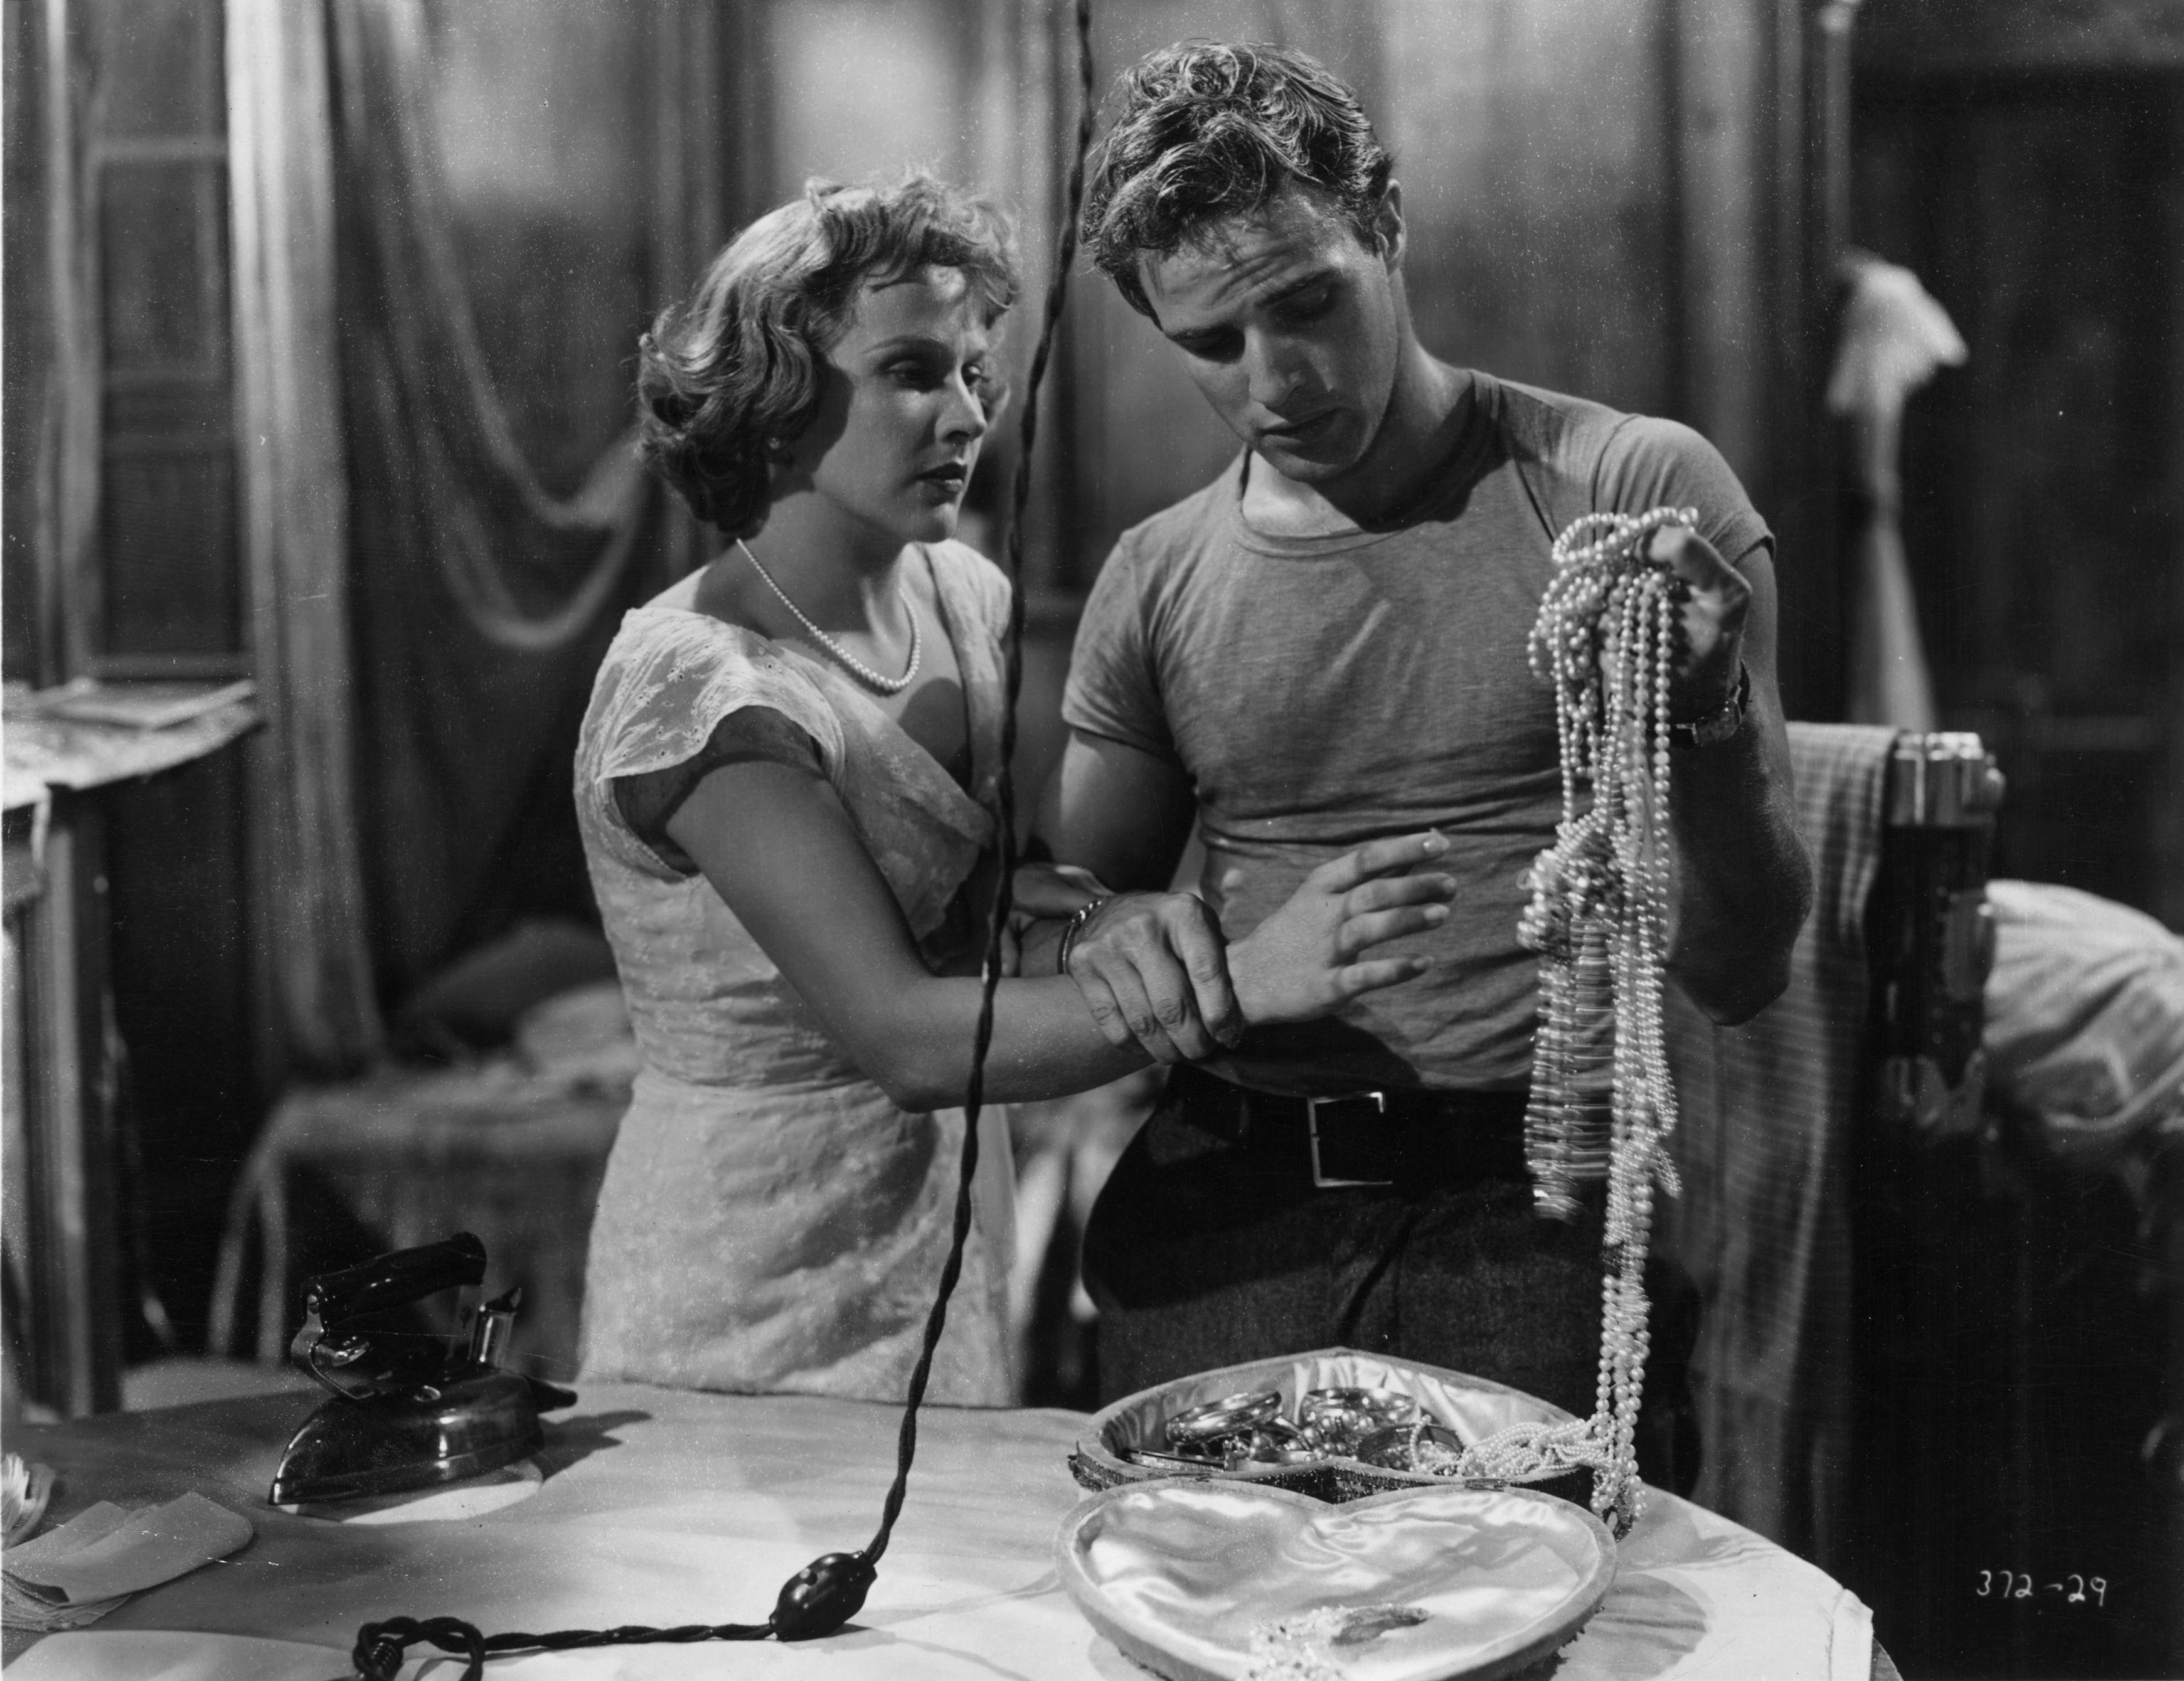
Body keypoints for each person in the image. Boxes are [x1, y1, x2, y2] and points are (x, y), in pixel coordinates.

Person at [1018, 44, 1816, 1467]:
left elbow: (1743, 963)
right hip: (1219, 1217)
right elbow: (1058, 925)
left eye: (1308, 302)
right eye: (1211, 342)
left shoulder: (1624, 496)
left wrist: (1698, 713)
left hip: (1529, 1219)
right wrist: (1112, 920)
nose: (1275, 382)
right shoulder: (1154, 579)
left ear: (1384, 225)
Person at [572, 172, 1456, 1406]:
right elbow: (904, 1033)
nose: (967, 415)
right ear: (775, 391)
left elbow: (979, 902)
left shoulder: (960, 595)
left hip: (935, 1213)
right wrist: (1246, 975)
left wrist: (1099, 914)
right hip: (744, 1258)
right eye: (912, 371)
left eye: (977, 375)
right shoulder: (696, 694)